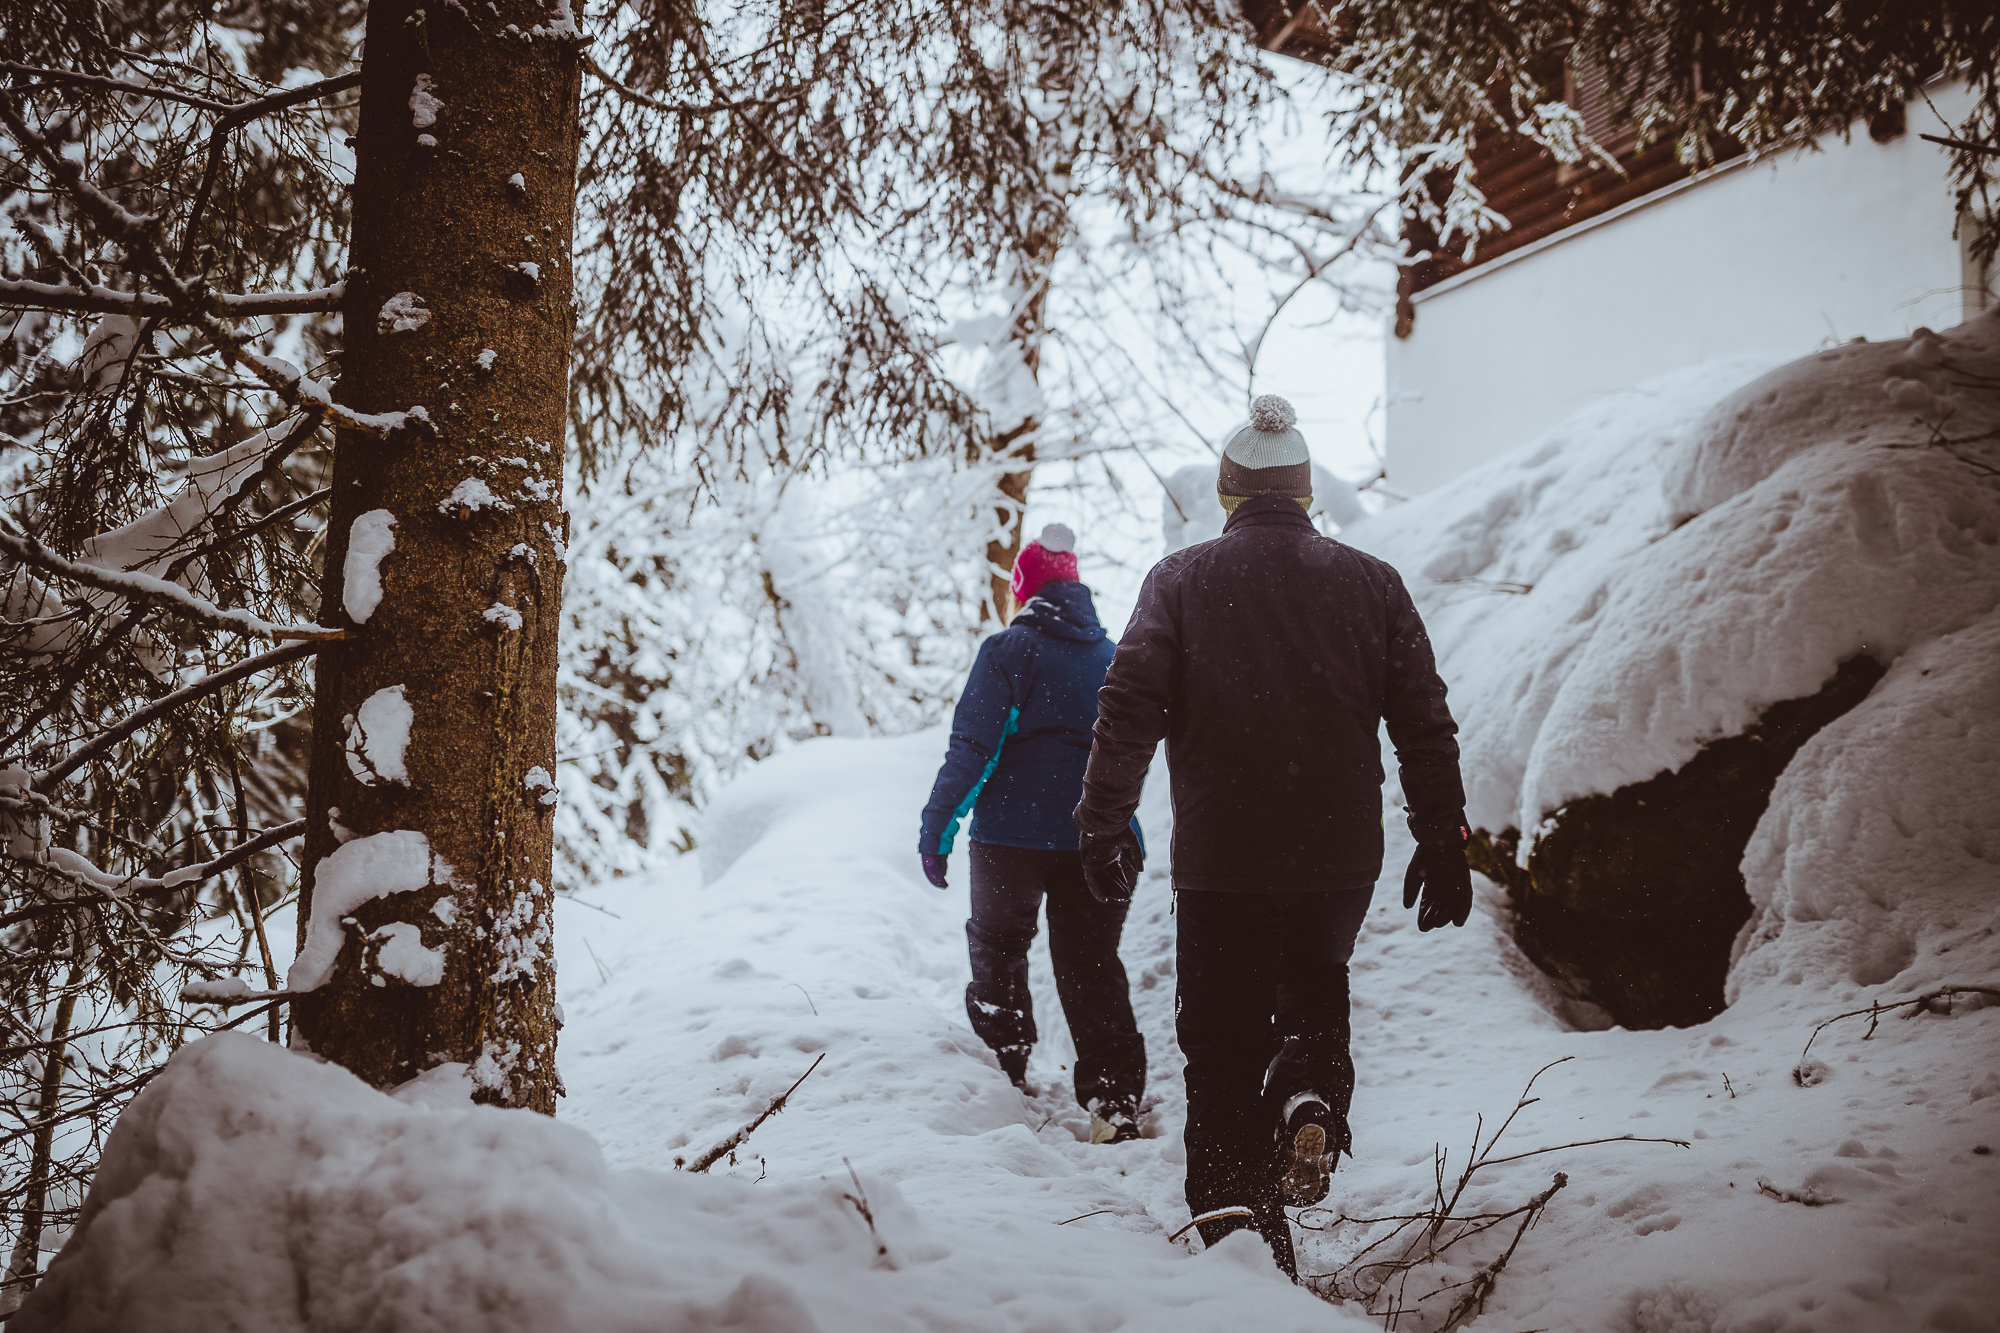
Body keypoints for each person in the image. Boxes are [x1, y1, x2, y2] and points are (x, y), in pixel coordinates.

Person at [1072, 395, 1470, 1278]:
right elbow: (1423, 719)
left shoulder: (1178, 581)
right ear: (1306, 495)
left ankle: (1246, 1249)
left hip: (1225, 862)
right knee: (1315, 985)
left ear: (1228, 495)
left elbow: (1127, 709)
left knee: (1219, 1047)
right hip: (1338, 861)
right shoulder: (1372, 582)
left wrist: (1102, 822)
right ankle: (1308, 1096)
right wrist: (1443, 836)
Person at [919, 523, 1148, 1144]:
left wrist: (937, 826)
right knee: (1091, 964)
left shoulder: (1008, 652)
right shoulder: (1114, 656)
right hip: (1097, 839)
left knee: (998, 947)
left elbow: (973, 748)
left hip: (1010, 841)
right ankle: (1115, 1103)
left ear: (1025, 588)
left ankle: (1006, 1064)